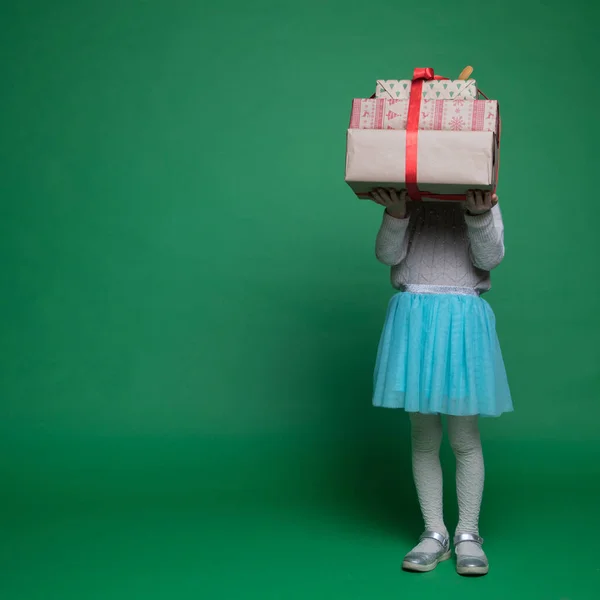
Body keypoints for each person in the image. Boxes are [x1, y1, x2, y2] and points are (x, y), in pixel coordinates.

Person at [369, 187, 513, 576]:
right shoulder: (411, 198)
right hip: (415, 319)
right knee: (423, 435)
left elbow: (490, 258)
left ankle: (468, 532)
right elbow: (387, 256)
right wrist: (397, 213)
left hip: (463, 320)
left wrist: (478, 214)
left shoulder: (485, 196)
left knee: (464, 437)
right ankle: (435, 531)